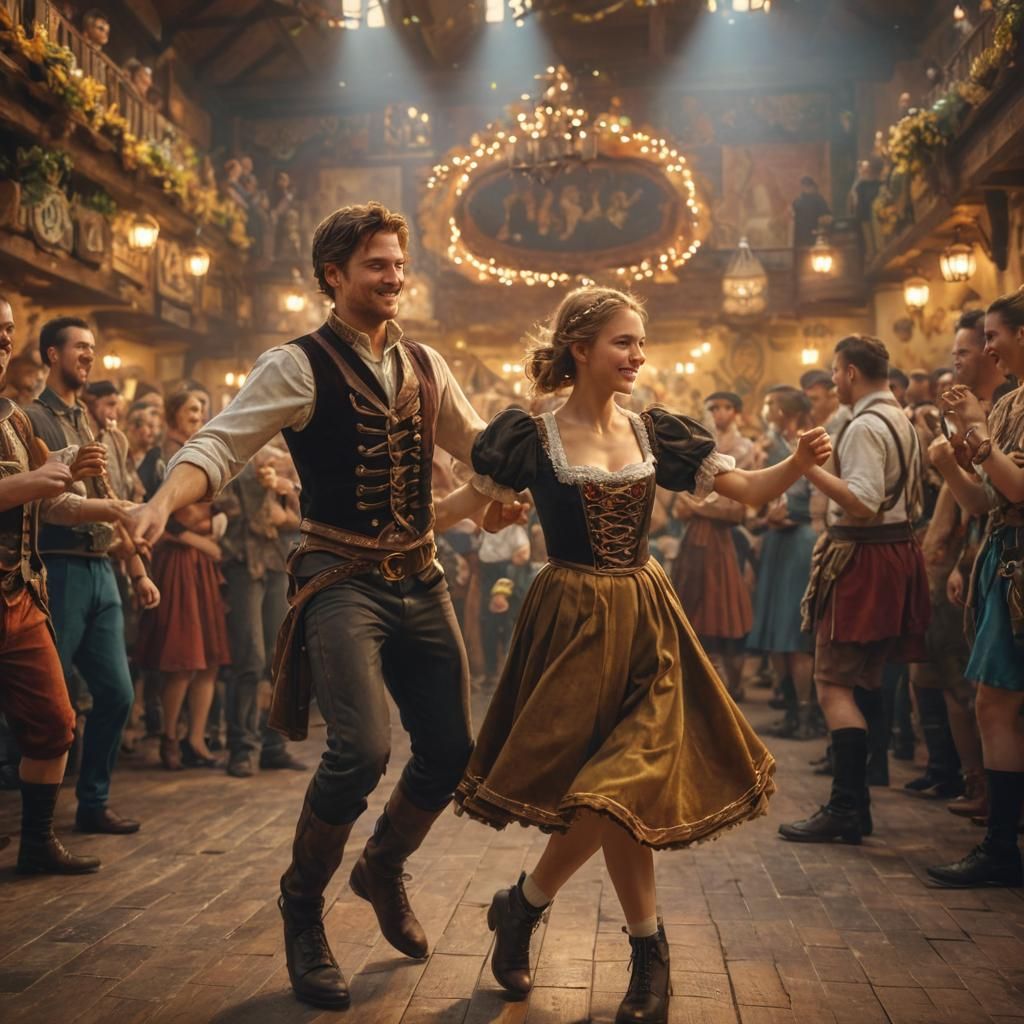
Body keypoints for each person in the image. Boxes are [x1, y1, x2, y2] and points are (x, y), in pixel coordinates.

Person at [130, 202, 523, 1011]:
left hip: (421, 575)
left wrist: (521, 473)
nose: (394, 277)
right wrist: (164, 500)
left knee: (451, 750)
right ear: (333, 277)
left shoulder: (426, 362)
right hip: (340, 577)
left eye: (398, 263)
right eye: (376, 265)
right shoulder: (296, 364)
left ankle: (380, 866)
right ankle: (302, 909)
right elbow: (221, 444)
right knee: (362, 751)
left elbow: (478, 447)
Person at [436, 287, 831, 1024]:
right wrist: (371, 532)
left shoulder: (657, 432)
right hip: (572, 623)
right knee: (606, 798)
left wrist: (797, 466)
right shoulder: (529, 434)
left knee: (625, 785)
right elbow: (459, 507)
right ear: (579, 349)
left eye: (641, 343)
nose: (637, 356)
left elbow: (743, 490)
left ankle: (587, 931)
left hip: (649, 621)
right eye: (623, 342)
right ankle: (542, 917)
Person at [780, 334, 930, 846]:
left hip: (864, 556)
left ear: (847, 372)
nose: (835, 379)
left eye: (834, 372)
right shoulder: (901, 417)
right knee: (866, 679)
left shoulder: (866, 425)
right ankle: (859, 800)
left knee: (834, 683)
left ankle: (846, 806)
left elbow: (864, 502)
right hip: (893, 552)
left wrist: (809, 470)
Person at [26, 317, 157, 837]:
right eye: (79, 347)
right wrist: (116, 509)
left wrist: (137, 566)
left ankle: (92, 802)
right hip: (57, 566)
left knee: (118, 693)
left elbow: (113, 493)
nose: (88, 355)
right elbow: (52, 504)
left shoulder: (94, 422)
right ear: (51, 355)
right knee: (42, 700)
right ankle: (34, 818)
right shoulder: (33, 418)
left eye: (92, 347)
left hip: (102, 569)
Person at [0, 297, 111, 873]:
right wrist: (45, 476)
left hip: (19, 592)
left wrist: (105, 501)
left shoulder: (15, 417)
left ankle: (37, 843)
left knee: (55, 721)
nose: (3, 339)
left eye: (8, 330)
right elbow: (33, 484)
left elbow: (52, 501)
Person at [925, 288, 1024, 888]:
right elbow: (988, 500)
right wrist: (949, 461)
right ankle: (999, 841)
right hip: (1005, 557)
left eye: (994, 336)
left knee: (996, 704)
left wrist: (979, 437)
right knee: (995, 703)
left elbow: (1018, 490)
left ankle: (1000, 846)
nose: (988, 348)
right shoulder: (1012, 403)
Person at [135, 390, 230, 772]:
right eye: (192, 408)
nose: (199, 414)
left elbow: (222, 498)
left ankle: (196, 739)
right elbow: (151, 510)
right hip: (176, 559)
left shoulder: (203, 449)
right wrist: (200, 542)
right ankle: (170, 736)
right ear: (174, 413)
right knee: (183, 657)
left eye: (202, 409)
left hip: (202, 561)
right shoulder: (161, 456)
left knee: (208, 658)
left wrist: (217, 523)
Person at [215, 448, 305, 778]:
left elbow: (306, 518)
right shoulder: (230, 458)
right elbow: (219, 510)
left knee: (277, 658)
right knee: (249, 659)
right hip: (242, 564)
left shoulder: (283, 458)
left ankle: (273, 746)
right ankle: (242, 747)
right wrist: (252, 478)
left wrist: (285, 489)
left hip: (277, 561)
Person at [670, 391, 754, 701]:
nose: (719, 413)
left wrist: (699, 507)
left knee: (727, 615)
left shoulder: (744, 449)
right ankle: (703, 687)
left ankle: (732, 687)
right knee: (695, 615)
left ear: (736, 412)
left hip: (728, 545)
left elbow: (738, 509)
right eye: (713, 407)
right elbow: (680, 508)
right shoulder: (695, 447)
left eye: (725, 407)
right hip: (694, 544)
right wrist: (694, 507)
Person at [747, 386, 819, 739]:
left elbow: (818, 492)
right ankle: (790, 709)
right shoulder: (771, 441)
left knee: (795, 633)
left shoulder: (806, 440)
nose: (766, 409)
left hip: (800, 538)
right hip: (775, 540)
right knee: (775, 632)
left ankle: (806, 715)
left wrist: (795, 516)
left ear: (785, 409)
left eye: (771, 403)